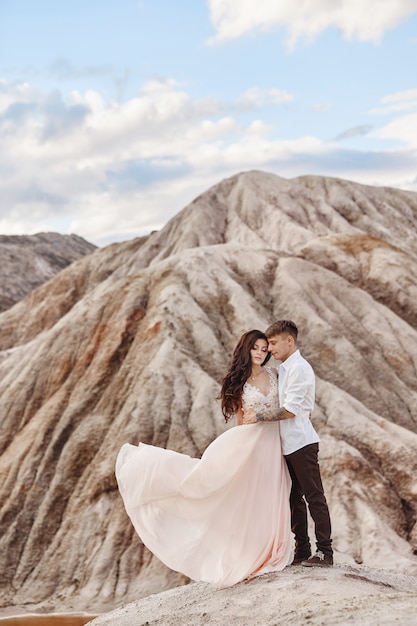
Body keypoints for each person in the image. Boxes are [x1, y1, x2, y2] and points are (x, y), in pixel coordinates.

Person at [115, 330, 293, 588]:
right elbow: (242, 420)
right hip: (250, 444)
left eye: (264, 349)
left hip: (274, 443)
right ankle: (251, 556)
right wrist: (241, 455)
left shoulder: (275, 375)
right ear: (246, 349)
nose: (260, 352)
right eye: (255, 347)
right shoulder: (240, 382)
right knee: (239, 495)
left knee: (271, 495)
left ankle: (272, 551)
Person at [242, 320, 333, 567]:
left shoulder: (299, 368)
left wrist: (258, 416)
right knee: (294, 500)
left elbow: (291, 410)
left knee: (314, 497)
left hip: (302, 443)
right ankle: (302, 549)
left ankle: (325, 552)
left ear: (289, 340)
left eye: (272, 343)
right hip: (286, 445)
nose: (270, 349)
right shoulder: (284, 369)